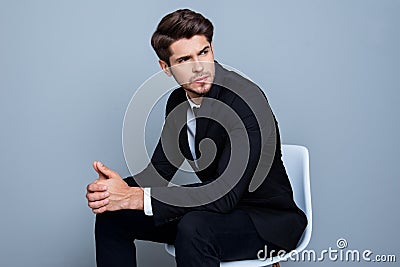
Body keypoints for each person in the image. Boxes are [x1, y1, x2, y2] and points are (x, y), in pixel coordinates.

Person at [86, 9, 307, 267]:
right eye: (184, 60)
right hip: (213, 213)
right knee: (114, 215)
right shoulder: (178, 102)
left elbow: (223, 194)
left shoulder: (247, 102)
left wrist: (135, 197)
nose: (199, 67)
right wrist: (112, 191)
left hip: (266, 222)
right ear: (166, 68)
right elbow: (158, 173)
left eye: (203, 53)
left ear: (212, 48)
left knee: (195, 227)